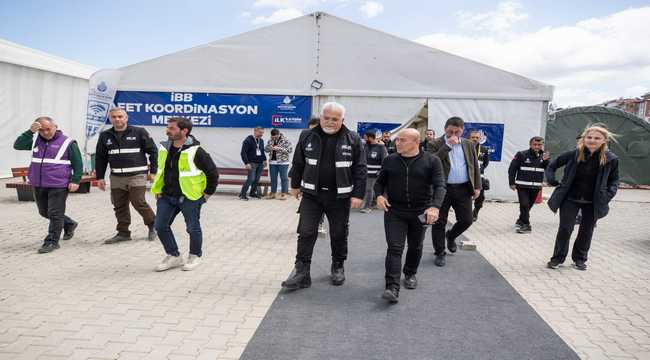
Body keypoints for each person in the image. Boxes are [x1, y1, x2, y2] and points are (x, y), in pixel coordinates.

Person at [281, 102, 366, 290]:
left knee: (338, 233)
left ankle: (338, 266)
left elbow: (360, 169)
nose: (330, 122)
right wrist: (294, 185)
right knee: (306, 232)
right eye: (326, 118)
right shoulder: (307, 136)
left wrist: (358, 194)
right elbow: (298, 162)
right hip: (312, 195)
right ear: (321, 117)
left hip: (340, 197)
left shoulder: (353, 139)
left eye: (335, 119)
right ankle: (302, 272)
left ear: (342, 120)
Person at [375, 129, 446, 303]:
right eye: (397, 140)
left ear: (415, 142)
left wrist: (435, 207)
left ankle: (410, 273)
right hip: (395, 211)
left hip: (420, 212)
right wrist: (379, 195)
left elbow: (440, 186)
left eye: (402, 140)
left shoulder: (432, 161)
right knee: (394, 248)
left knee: (415, 246)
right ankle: (391, 287)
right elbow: (380, 182)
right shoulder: (390, 160)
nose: (397, 143)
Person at [545, 125, 619, 271]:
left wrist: (608, 195)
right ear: (584, 138)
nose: (592, 140)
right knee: (565, 229)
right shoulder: (574, 154)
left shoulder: (611, 159)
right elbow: (552, 165)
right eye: (589, 137)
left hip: (593, 202)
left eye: (597, 138)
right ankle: (557, 258)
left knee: (586, 231)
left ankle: (579, 259)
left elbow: (614, 180)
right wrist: (552, 180)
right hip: (570, 199)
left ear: (604, 140)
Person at [151, 117, 220, 272]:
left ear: (184, 131)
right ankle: (174, 255)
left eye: (172, 128)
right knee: (160, 226)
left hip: (190, 196)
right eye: (168, 127)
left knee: (192, 228)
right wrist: (158, 189)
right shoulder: (164, 147)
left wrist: (208, 193)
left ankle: (194, 256)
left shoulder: (196, 151)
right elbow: (162, 170)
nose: (167, 130)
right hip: (167, 196)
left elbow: (213, 173)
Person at [13, 117, 82, 253]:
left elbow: (78, 163)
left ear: (55, 126)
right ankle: (69, 224)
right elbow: (18, 145)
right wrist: (29, 132)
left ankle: (52, 242)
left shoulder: (68, 142)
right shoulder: (35, 140)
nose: (45, 132)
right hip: (38, 183)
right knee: (44, 212)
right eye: (41, 130)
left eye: (48, 129)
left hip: (59, 184)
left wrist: (75, 180)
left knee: (55, 213)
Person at [95, 108, 158, 244]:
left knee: (138, 201)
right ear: (110, 119)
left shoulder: (139, 132)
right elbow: (100, 158)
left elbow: (153, 151)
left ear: (126, 118)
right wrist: (100, 177)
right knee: (119, 205)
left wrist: (153, 171)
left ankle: (153, 225)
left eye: (120, 116)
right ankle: (123, 233)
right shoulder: (105, 135)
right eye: (114, 117)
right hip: (116, 176)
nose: (117, 119)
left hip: (137, 175)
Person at [429, 117, 481, 267]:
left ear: (462, 131)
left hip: (463, 188)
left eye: (457, 132)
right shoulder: (435, 143)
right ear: (445, 129)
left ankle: (450, 236)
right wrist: (447, 146)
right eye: (450, 131)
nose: (453, 134)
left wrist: (477, 186)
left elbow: (474, 166)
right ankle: (439, 252)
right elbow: (431, 162)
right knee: (439, 221)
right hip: (442, 188)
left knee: (467, 220)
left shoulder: (469, 144)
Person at [507, 136, 550, 234]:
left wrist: (546, 160)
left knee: (528, 206)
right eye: (535, 144)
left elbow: (548, 168)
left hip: (536, 187)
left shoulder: (544, 155)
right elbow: (512, 169)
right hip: (522, 186)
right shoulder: (521, 154)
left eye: (539, 145)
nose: (537, 146)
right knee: (524, 204)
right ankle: (526, 225)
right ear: (530, 145)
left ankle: (520, 220)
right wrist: (512, 182)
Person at [361, 130, 388, 213]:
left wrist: (381, 171)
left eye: (365, 137)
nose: (364, 139)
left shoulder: (381, 147)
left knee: (369, 189)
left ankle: (367, 207)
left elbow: (384, 161)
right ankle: (372, 203)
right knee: (368, 189)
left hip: (375, 173)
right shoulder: (365, 146)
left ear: (371, 137)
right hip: (365, 172)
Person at [468, 130, 490, 221]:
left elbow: (485, 163)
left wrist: (479, 171)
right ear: (469, 138)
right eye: (473, 137)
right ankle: (467, 213)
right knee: (466, 196)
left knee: (480, 197)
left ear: (480, 138)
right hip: (467, 177)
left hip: (479, 177)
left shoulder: (484, 150)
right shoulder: (464, 148)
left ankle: (475, 211)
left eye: (477, 137)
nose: (475, 139)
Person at [239, 126, 267, 200]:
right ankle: (242, 194)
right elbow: (243, 153)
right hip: (252, 163)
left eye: (262, 133)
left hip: (260, 163)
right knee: (251, 179)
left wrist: (264, 160)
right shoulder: (248, 140)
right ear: (255, 131)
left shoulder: (261, 141)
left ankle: (252, 193)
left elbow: (262, 151)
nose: (261, 134)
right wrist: (246, 163)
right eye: (260, 132)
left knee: (257, 179)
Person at [264, 129, 293, 200]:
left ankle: (284, 193)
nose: (274, 138)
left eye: (275, 137)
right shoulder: (270, 140)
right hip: (272, 162)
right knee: (273, 179)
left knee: (284, 178)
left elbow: (290, 150)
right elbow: (266, 149)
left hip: (283, 162)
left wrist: (279, 148)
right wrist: (269, 148)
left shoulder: (286, 140)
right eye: (273, 137)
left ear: (279, 134)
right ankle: (273, 193)